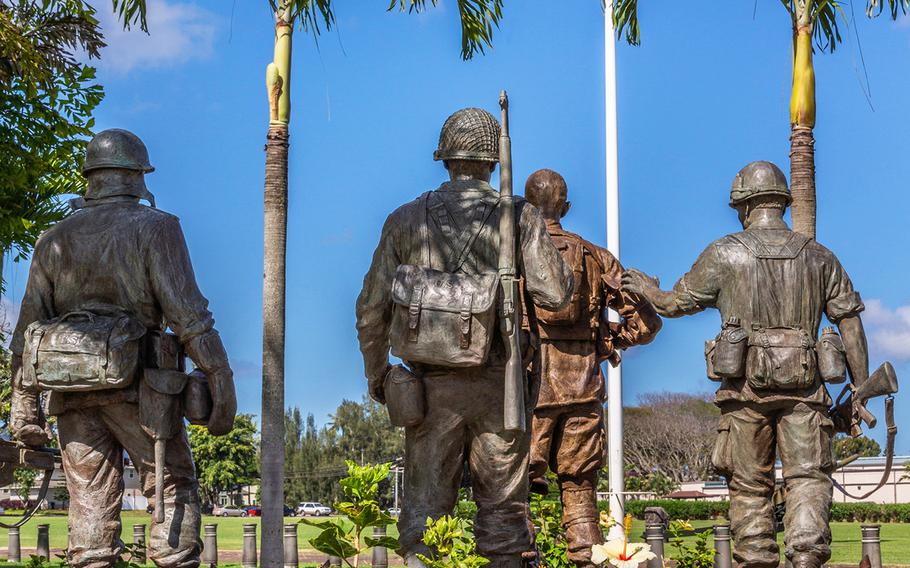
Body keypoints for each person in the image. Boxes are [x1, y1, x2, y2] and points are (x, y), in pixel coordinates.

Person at [622, 161, 869, 568]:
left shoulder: (725, 252)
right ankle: (807, 558)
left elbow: (676, 303)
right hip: (806, 393)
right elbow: (850, 322)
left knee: (749, 485)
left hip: (744, 393)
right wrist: (859, 389)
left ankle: (755, 560)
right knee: (808, 479)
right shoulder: (820, 257)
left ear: (743, 205)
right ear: (783, 202)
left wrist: (647, 289)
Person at [356, 108, 573, 568]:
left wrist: (380, 378)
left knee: (424, 518)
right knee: (504, 517)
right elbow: (556, 294)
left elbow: (371, 311)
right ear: (493, 162)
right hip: (499, 386)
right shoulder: (519, 216)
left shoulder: (404, 219)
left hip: (430, 388)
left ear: (445, 158)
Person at [9, 129, 236, 568]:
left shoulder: (53, 238)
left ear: (89, 179)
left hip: (72, 398)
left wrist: (24, 406)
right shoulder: (156, 227)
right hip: (142, 394)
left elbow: (27, 330)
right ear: (136, 176)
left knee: (89, 504)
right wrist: (220, 378)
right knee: (172, 486)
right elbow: (189, 316)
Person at [523, 169, 661, 568]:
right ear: (565, 207)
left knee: (514, 495)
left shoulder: (514, 257)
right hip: (584, 390)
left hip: (529, 393)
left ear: (526, 209)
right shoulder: (597, 259)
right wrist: (607, 343)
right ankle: (586, 560)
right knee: (580, 491)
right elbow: (647, 324)